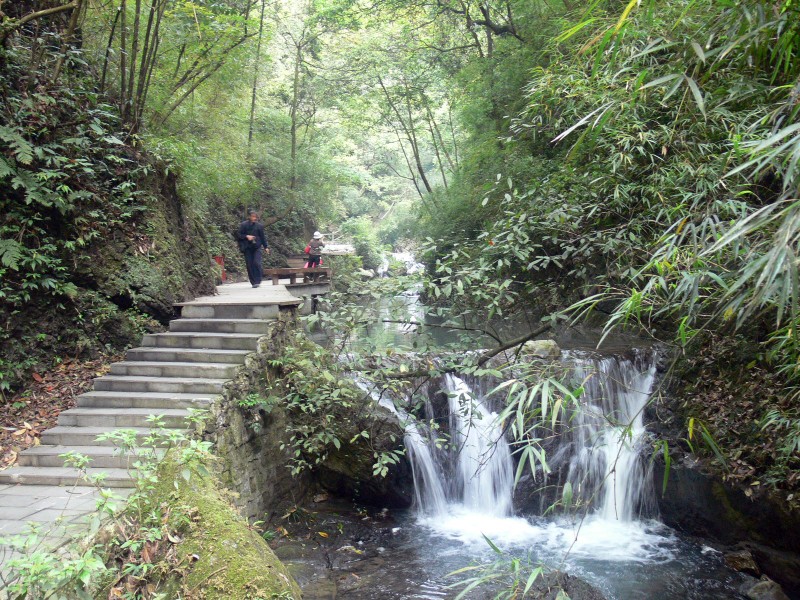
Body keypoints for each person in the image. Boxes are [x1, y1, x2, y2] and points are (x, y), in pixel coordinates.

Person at [238, 210, 269, 288]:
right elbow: (239, 235)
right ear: (249, 217)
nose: (254, 218)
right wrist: (246, 236)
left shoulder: (259, 226)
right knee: (249, 265)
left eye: (255, 217)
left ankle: (258, 279)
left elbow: (262, 237)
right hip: (247, 247)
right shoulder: (243, 225)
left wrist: (266, 247)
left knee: (256, 262)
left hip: (257, 247)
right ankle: (253, 282)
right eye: (253, 216)